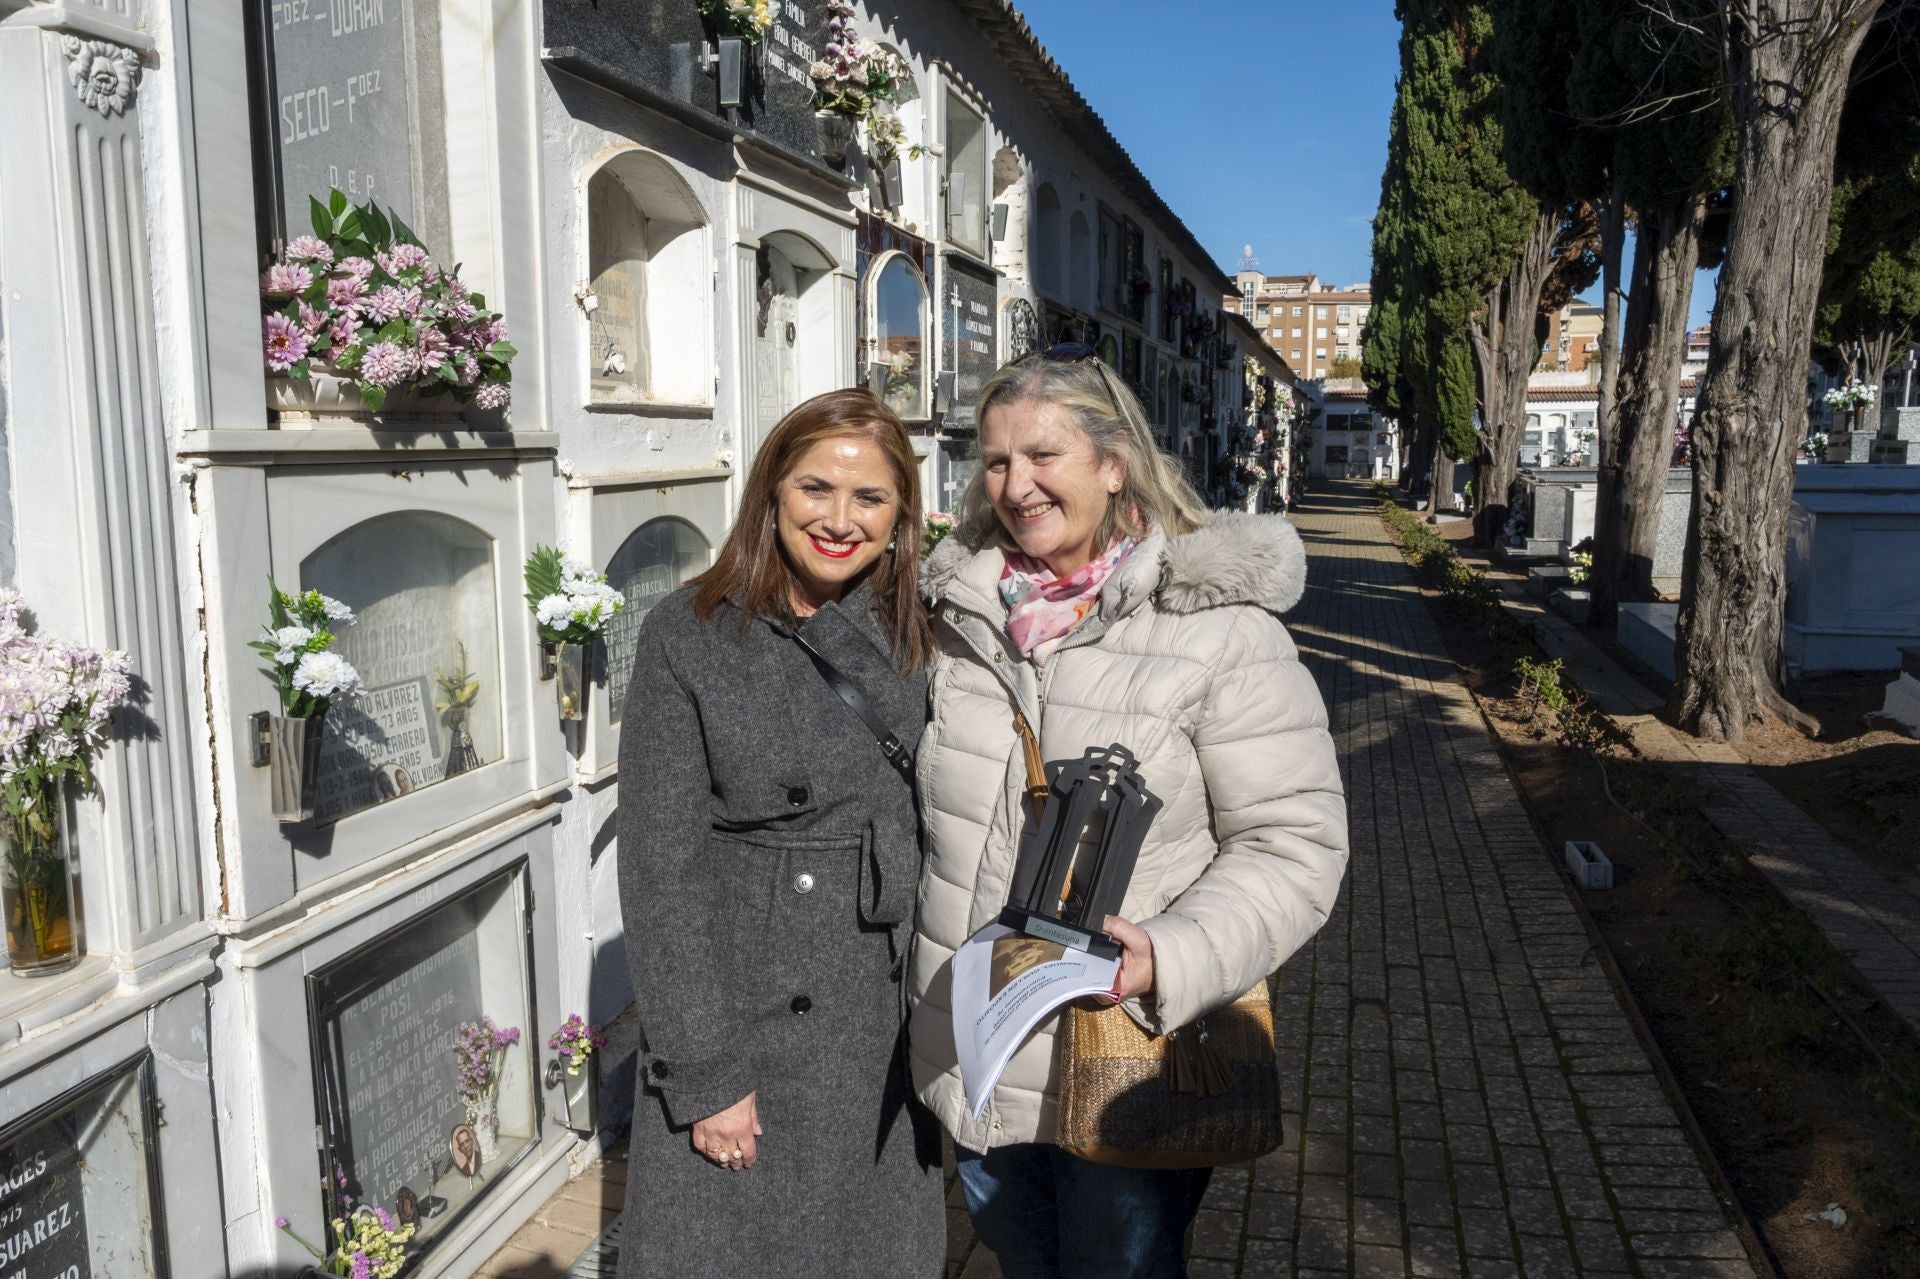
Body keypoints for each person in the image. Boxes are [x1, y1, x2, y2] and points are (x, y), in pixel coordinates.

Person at [909, 347, 1350, 1279]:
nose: (1016, 484)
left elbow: (1295, 842)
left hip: (1128, 1054)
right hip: (981, 1055)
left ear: (1115, 464)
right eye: (995, 461)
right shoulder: (957, 619)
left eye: (1043, 456)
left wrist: (1173, 953)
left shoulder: (1218, 630)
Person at [617, 389, 945, 1279]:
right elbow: (660, 869)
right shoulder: (689, 633)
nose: (839, 520)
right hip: (740, 1009)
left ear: (900, 515)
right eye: (815, 489)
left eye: (869, 498)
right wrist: (707, 1073)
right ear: (772, 491)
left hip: (878, 1023)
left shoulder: (927, 633)